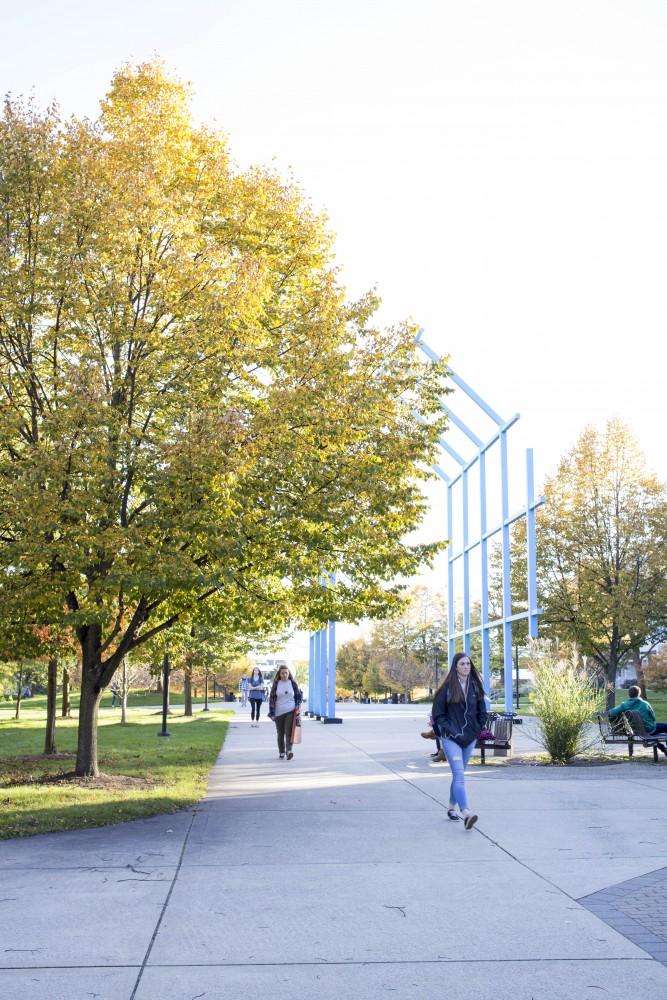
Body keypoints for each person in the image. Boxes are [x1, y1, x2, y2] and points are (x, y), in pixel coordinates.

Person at [431, 652, 487, 830]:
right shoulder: (446, 688)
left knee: (458, 775)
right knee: (460, 775)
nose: (466, 667)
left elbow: (482, 713)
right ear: (455, 666)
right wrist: (451, 731)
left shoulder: (476, 687)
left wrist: (476, 730)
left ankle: (450, 808)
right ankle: (467, 813)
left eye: (468, 664)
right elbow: (438, 715)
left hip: (469, 738)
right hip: (451, 739)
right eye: (462, 664)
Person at [609, 686, 667, 754]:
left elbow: (611, 713)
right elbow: (653, 718)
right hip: (648, 730)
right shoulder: (645, 704)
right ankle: (664, 749)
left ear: (629, 694)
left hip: (633, 730)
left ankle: (663, 748)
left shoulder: (624, 705)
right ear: (639, 693)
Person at [268, 666, 303, 760]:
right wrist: (272, 712)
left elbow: (298, 697)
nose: (284, 675)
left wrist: (297, 707)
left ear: (289, 674)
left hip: (290, 710)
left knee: (288, 731)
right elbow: (271, 699)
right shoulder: (276, 684)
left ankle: (289, 751)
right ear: (279, 674)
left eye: (286, 673)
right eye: (282, 673)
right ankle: (281, 752)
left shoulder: (293, 683)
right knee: (280, 733)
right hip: (278, 712)